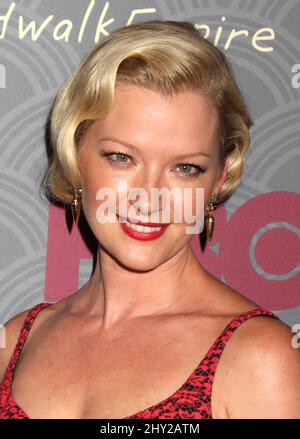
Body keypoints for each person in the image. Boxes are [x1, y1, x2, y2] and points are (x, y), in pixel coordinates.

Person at [0, 20, 299, 420]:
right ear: (75, 155)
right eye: (122, 158)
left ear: (220, 176)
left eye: (186, 168)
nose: (149, 198)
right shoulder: (17, 340)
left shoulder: (261, 357)